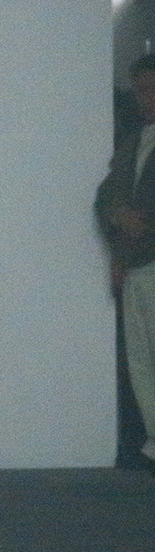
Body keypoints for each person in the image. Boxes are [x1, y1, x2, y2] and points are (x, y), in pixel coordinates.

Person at [96, 52, 155, 465]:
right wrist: (119, 217)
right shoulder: (134, 140)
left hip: (147, 256)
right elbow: (105, 196)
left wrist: (142, 222)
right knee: (140, 361)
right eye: (140, 90)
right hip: (136, 265)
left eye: (150, 88)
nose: (145, 97)